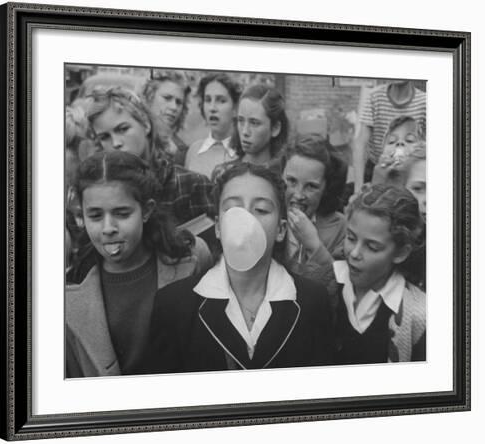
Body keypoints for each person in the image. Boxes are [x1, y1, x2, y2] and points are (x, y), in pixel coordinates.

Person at [143, 162, 334, 374]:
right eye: (233, 208)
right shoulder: (173, 306)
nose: (246, 219)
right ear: (217, 226)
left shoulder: (313, 301)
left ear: (281, 230)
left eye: (261, 209)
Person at [66, 151, 213, 378]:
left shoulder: (192, 257)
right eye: (95, 216)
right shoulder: (70, 291)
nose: (108, 228)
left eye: (122, 214)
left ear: (146, 210)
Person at [84, 84, 215, 227]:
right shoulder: (101, 192)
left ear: (146, 124)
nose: (116, 143)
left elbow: (212, 245)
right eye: (104, 137)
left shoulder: (190, 186)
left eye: (123, 129)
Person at [333, 184, 426, 364]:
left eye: (372, 247)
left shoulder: (419, 317)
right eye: (351, 238)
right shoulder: (322, 284)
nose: (354, 253)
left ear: (400, 253)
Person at [280, 134, 348, 296]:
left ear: (326, 187)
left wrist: (314, 246)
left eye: (311, 186)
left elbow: (340, 289)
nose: (298, 194)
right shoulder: (268, 218)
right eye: (291, 181)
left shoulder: (341, 227)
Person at [352, 80, 426, 192]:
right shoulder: (374, 97)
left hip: (410, 171)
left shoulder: (424, 101)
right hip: (377, 167)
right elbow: (360, 144)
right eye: (391, 141)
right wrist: (358, 189)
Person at [211, 84, 288, 180]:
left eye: (254, 123)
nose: (245, 131)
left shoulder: (286, 176)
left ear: (275, 128)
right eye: (241, 120)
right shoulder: (223, 174)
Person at [185, 73, 241, 178]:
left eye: (221, 100)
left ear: (235, 108)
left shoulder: (243, 152)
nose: (212, 108)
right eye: (208, 100)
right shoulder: (194, 150)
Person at [141, 70, 191, 166]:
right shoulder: (131, 136)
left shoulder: (181, 151)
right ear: (149, 96)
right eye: (167, 98)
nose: (174, 107)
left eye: (179, 102)